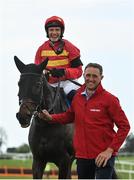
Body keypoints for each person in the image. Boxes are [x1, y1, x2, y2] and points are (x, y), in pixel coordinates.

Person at [38, 62, 130, 179]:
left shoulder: (110, 100)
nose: (90, 79)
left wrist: (110, 150)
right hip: (82, 158)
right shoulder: (77, 97)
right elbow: (69, 116)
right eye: (88, 75)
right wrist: (51, 118)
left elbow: (125, 126)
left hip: (103, 157)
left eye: (94, 76)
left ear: (101, 78)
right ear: (84, 76)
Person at [34, 16, 83, 103]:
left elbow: (79, 71)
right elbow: (37, 72)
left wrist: (64, 72)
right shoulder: (41, 49)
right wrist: (45, 75)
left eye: (57, 30)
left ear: (61, 31)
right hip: (49, 85)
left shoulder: (70, 47)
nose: (54, 32)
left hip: (67, 83)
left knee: (76, 98)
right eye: (51, 30)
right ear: (47, 32)